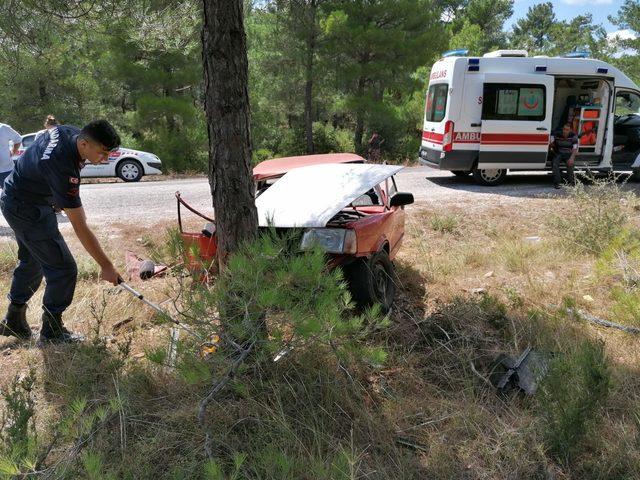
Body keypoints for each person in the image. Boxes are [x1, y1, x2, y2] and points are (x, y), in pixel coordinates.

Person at [0, 120, 123, 343]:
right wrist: (106, 266)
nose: (105, 159)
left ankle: (14, 320)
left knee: (33, 261)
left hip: (18, 197)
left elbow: (41, 149)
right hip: (26, 208)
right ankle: (52, 331)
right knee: (63, 268)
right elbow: (79, 225)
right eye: (103, 153)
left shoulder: (70, 132)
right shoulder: (62, 165)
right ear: (84, 144)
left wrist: (52, 193)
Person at [550, 122, 578, 189]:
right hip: (559, 153)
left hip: (569, 154)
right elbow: (552, 143)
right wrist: (551, 145)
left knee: (570, 165)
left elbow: (575, 148)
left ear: (570, 130)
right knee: (554, 164)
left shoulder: (573, 136)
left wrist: (572, 158)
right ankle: (557, 182)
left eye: (567, 130)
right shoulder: (558, 135)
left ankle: (571, 182)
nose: (565, 131)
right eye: (564, 129)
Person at [0, 122, 22, 187]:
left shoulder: (3, 128)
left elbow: (18, 139)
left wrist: (13, 152)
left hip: (6, 170)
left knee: (12, 193)